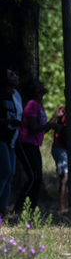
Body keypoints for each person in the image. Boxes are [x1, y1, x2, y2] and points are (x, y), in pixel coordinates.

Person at [15, 80, 64, 213]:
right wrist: (53, 125)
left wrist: (55, 117)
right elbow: (32, 128)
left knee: (37, 178)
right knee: (33, 177)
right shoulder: (31, 105)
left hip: (34, 145)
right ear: (36, 90)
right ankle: (19, 209)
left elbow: (43, 129)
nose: (43, 84)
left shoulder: (39, 106)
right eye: (39, 84)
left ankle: (31, 210)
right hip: (25, 144)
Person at [1, 67, 23, 218]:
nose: (15, 76)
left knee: (11, 174)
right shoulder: (0, 94)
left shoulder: (17, 96)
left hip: (12, 140)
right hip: (1, 137)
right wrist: (8, 121)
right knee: (6, 170)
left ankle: (2, 210)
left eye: (17, 73)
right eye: (11, 74)